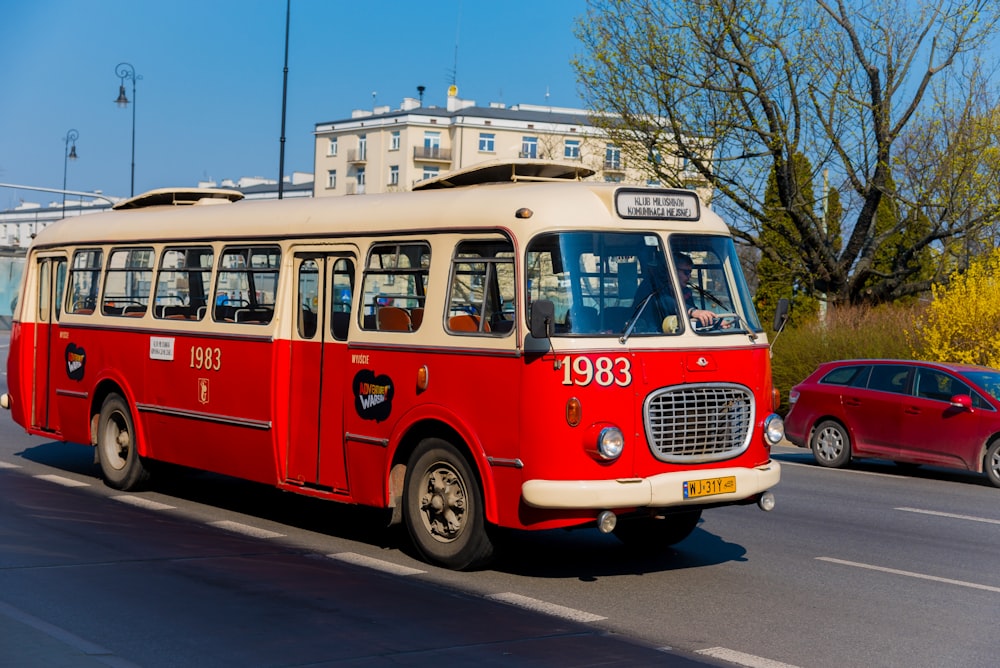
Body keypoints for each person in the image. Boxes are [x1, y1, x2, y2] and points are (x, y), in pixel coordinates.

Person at [673, 253, 718, 327]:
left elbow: (694, 315)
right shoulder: (658, 294)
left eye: (690, 272)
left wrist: (713, 322)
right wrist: (691, 311)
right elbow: (666, 301)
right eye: (686, 272)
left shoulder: (686, 292)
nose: (689, 276)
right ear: (673, 271)